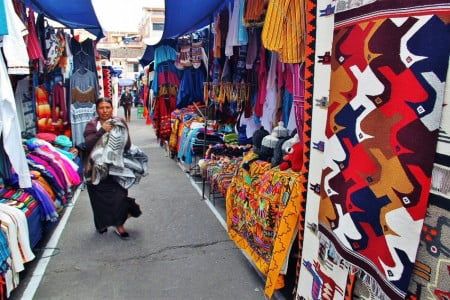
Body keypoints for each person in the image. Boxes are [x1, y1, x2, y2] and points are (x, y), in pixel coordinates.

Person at [84, 98, 132, 239]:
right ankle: (101, 224)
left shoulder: (119, 122)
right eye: (101, 108)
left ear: (112, 108)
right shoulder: (92, 125)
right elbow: (88, 144)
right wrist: (101, 131)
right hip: (96, 169)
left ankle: (119, 225)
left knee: (120, 196)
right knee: (98, 199)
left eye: (107, 107)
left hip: (116, 167)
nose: (105, 110)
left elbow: (127, 143)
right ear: (97, 110)